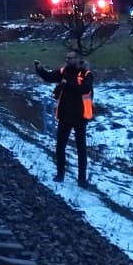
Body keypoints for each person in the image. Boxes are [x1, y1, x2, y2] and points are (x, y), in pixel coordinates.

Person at [34, 47, 94, 185]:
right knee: (60, 146)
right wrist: (39, 69)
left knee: (81, 149)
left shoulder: (86, 74)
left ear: (77, 59)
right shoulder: (63, 72)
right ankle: (60, 175)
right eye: (66, 58)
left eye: (70, 58)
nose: (67, 60)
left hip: (80, 116)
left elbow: (85, 89)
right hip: (64, 115)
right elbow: (49, 77)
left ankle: (82, 179)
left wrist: (67, 85)